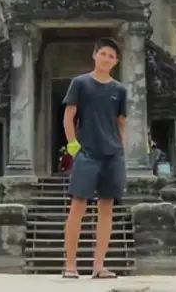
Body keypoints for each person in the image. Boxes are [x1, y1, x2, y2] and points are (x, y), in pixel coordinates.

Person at [61, 37, 127, 279]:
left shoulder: (120, 90)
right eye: (103, 54)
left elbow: (121, 123)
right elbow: (69, 116)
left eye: (111, 56)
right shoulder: (80, 83)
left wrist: (121, 149)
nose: (107, 58)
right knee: (78, 207)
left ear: (116, 61)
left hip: (113, 155)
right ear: (95, 55)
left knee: (106, 209)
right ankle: (70, 265)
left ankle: (99, 266)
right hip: (87, 152)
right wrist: (73, 146)